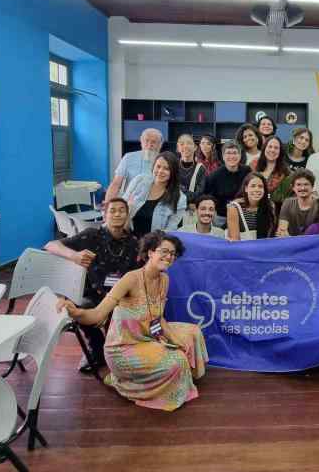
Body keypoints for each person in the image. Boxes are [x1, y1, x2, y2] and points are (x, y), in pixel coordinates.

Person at [57, 231, 208, 411]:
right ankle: (126, 382)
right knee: (177, 360)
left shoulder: (164, 279)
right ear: (150, 252)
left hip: (148, 335)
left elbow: (158, 319)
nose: (169, 257)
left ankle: (180, 376)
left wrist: (175, 340)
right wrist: (75, 312)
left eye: (173, 254)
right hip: (123, 348)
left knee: (193, 332)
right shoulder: (130, 279)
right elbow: (97, 315)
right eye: (164, 251)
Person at [44, 197, 139, 371]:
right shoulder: (91, 235)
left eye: (122, 210)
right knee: (78, 306)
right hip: (93, 294)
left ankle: (115, 349)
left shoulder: (134, 243)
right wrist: (74, 256)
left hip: (120, 298)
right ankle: (96, 348)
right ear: (104, 214)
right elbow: (51, 245)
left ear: (127, 215)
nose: (117, 214)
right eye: (112, 210)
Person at [123, 151, 188, 238]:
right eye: (158, 166)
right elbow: (122, 205)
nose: (160, 171)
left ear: (173, 172)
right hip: (128, 239)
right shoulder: (139, 180)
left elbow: (170, 231)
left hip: (154, 246)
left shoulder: (180, 199)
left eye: (166, 169)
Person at [105, 128, 163, 202]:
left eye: (153, 142)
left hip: (154, 201)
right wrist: (108, 205)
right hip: (130, 201)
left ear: (160, 145)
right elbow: (116, 184)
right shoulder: (128, 157)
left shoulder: (164, 160)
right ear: (141, 141)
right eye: (146, 141)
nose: (149, 145)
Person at [202, 142, 251, 227]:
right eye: (228, 153)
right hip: (222, 217)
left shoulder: (247, 171)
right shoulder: (214, 176)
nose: (232, 156)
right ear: (223, 157)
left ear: (240, 156)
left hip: (244, 215)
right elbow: (208, 198)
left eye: (235, 153)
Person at [226, 172, 276, 240]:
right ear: (246, 188)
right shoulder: (234, 208)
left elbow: (271, 234)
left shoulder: (270, 206)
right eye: (253, 186)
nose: (256, 189)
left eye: (260, 186)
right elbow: (235, 240)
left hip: (264, 247)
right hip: (243, 248)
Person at [250, 135, 291, 204]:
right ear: (264, 148)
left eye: (276, 148)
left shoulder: (286, 173)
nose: (272, 150)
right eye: (270, 146)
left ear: (280, 151)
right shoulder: (253, 165)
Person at [277, 169, 318, 237]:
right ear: (293, 187)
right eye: (298, 184)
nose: (302, 188)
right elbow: (282, 230)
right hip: (291, 244)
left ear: (312, 186)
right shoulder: (288, 203)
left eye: (306, 184)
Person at [176, 134, 206, 223]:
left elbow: (200, 193)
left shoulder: (201, 168)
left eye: (189, 143)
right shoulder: (173, 166)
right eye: (182, 144)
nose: (185, 146)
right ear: (178, 148)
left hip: (191, 214)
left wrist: (181, 190)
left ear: (195, 147)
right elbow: (171, 191)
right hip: (174, 210)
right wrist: (188, 203)